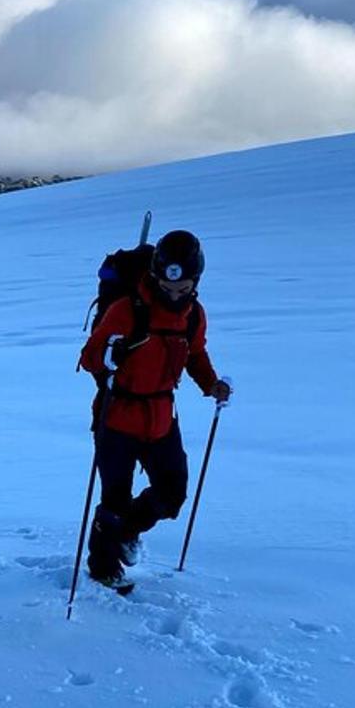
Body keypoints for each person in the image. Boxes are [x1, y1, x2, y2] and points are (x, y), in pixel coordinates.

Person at [79, 230, 231, 589]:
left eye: (183, 288)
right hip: (117, 415)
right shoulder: (126, 309)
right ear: (155, 276)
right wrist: (111, 356)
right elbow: (89, 358)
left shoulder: (194, 315)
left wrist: (211, 384)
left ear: (196, 282)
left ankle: (128, 531)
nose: (175, 295)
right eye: (167, 287)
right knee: (114, 498)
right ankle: (103, 568)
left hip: (162, 417)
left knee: (172, 492)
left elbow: (195, 354)